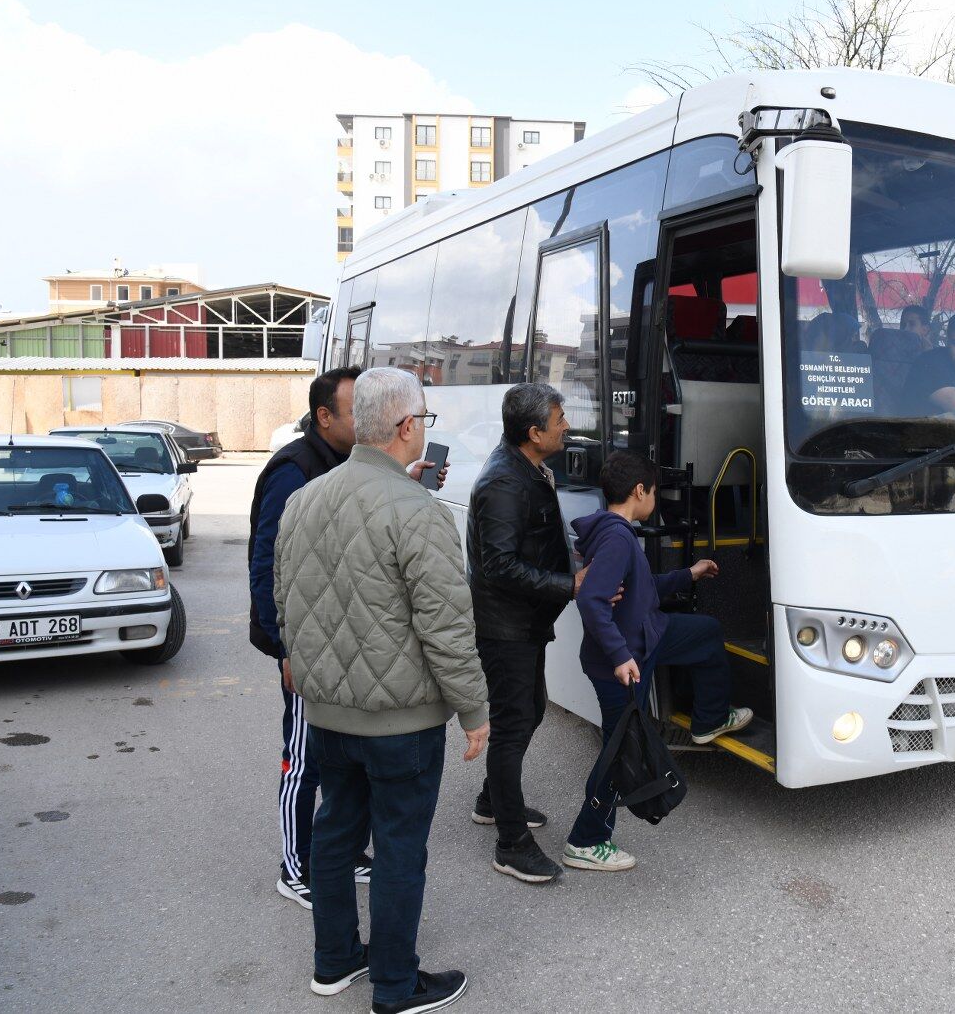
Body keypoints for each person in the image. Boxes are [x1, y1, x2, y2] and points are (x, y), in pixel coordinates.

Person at [274, 366, 487, 1014]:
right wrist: (474, 711)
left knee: (335, 833)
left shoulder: (304, 500)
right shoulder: (419, 513)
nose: (424, 429)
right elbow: (447, 627)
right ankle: (396, 986)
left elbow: (286, 599)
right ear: (404, 427)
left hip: (328, 716)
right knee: (398, 849)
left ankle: (334, 960)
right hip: (402, 723)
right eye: (423, 419)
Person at [248, 365, 444, 910]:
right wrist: (285, 648)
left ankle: (343, 854)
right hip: (309, 649)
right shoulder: (293, 470)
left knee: (341, 771)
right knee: (303, 760)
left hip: (343, 641)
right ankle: (295, 867)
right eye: (356, 410)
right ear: (324, 416)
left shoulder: (344, 464)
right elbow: (269, 565)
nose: (367, 419)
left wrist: (405, 485)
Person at [563, 449, 752, 873]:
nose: (655, 499)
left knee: (705, 634)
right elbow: (591, 600)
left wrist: (689, 574)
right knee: (619, 751)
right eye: (654, 492)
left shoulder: (615, 531)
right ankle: (586, 840)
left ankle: (708, 719)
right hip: (624, 658)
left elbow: (643, 587)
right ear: (639, 491)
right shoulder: (617, 539)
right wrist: (619, 657)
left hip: (648, 635)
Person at [466, 382, 588, 886]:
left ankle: (492, 800)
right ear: (534, 433)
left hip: (524, 621)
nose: (566, 426)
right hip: (505, 626)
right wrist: (568, 585)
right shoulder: (503, 482)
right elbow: (499, 566)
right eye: (559, 420)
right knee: (514, 723)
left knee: (530, 710)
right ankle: (511, 844)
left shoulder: (526, 467)